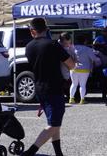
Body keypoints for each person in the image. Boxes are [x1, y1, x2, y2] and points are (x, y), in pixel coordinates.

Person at [23, 18, 75, 156]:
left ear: (32, 31)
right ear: (46, 29)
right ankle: (30, 152)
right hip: (54, 88)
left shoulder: (28, 47)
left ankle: (59, 153)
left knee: (54, 122)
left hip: (39, 87)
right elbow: (71, 64)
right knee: (54, 124)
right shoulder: (52, 44)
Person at [69, 37, 101, 105]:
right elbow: (94, 58)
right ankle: (82, 100)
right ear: (85, 41)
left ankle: (71, 99)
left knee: (74, 84)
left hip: (73, 68)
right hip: (84, 69)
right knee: (82, 85)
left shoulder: (72, 48)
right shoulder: (88, 49)